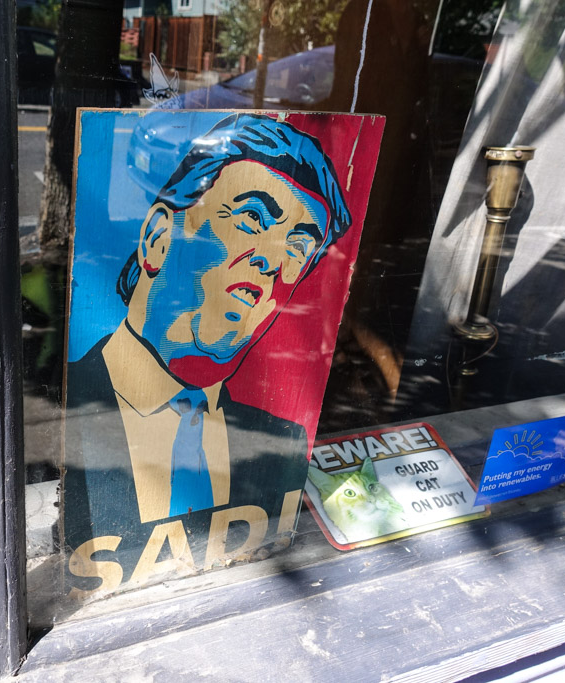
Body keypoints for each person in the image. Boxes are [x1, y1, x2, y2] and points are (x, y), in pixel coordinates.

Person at [64, 113, 352, 577]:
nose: (272, 260)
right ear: (158, 238)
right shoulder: (58, 411)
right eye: (251, 218)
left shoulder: (281, 443)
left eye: (298, 249)